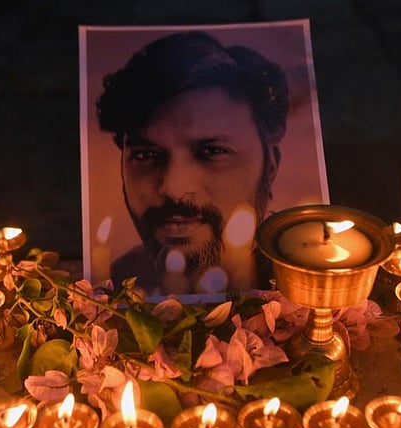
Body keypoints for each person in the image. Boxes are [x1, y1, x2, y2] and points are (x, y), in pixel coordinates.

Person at [96, 30, 289, 295]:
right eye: (145, 155)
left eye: (212, 151)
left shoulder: (299, 282)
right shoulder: (117, 281)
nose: (173, 188)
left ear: (270, 167)